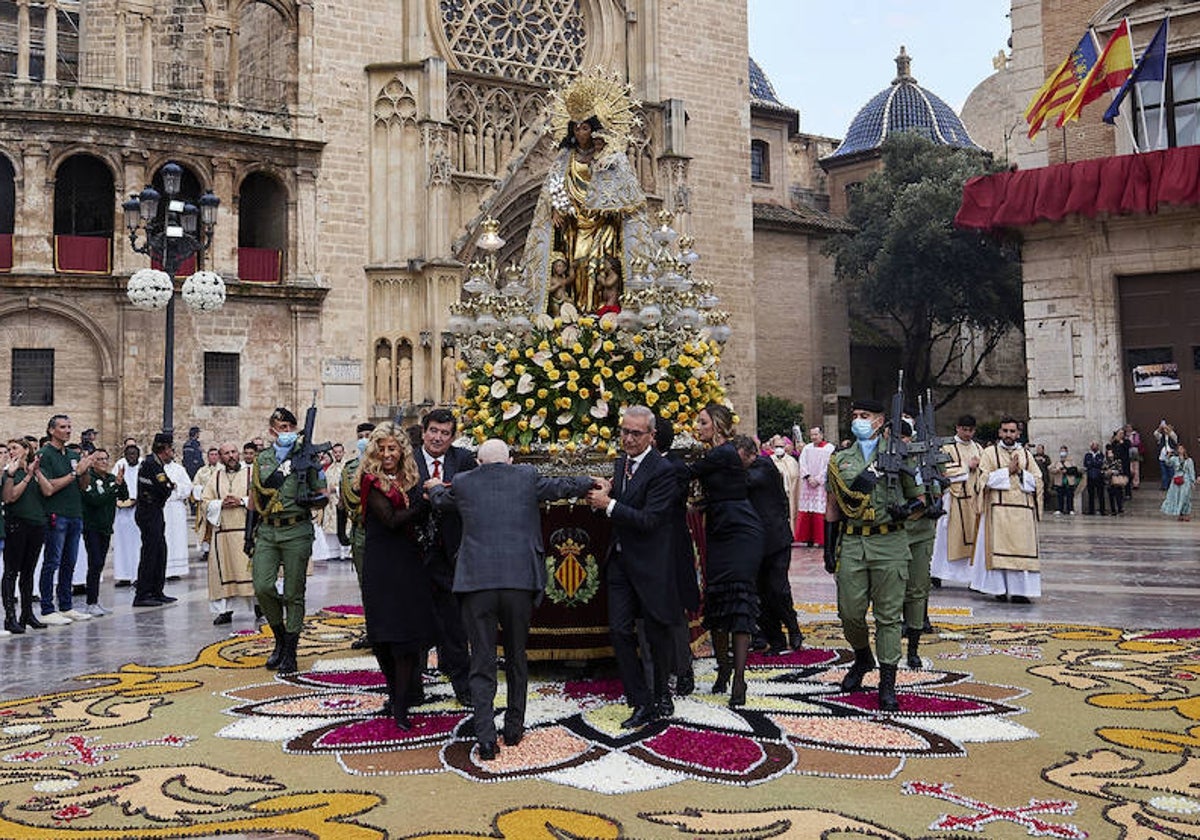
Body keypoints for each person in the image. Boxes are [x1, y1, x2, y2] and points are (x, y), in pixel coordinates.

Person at [427, 439, 593, 760]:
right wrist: (592, 482)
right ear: (511, 460)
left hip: (477, 584)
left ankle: (486, 737)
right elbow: (561, 487)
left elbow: (440, 500)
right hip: (519, 581)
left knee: (483, 659)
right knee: (517, 655)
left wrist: (434, 487)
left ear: (477, 462)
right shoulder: (527, 476)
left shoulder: (463, 482)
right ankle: (514, 727)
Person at [824, 398, 924, 712]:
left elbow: (921, 500)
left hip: (890, 543)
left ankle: (887, 681)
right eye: (855, 416)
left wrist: (905, 510)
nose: (858, 421)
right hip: (853, 542)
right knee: (850, 612)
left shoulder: (899, 455)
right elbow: (833, 506)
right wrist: (829, 548)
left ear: (880, 421)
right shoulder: (841, 458)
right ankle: (863, 656)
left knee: (889, 616)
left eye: (864, 416)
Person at [586, 406, 682, 728]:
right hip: (620, 562)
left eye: (635, 433)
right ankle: (640, 701)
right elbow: (625, 503)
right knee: (618, 631)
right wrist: (610, 492)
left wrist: (609, 504)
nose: (627, 438)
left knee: (656, 634)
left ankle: (661, 694)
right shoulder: (620, 462)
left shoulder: (663, 469)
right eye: (624, 431)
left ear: (651, 436)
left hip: (652, 563)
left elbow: (651, 519)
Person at [358, 422, 435, 730]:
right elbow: (390, 520)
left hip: (409, 563)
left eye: (393, 448)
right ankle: (394, 696)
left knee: (406, 636)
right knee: (383, 637)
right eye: (382, 448)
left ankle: (401, 704)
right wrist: (423, 505)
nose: (387, 454)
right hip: (381, 564)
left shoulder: (412, 478)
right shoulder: (370, 480)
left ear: (402, 449)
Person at [690, 404, 763, 708]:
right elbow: (719, 491)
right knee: (718, 601)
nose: (698, 426)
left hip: (742, 532)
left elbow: (688, 472)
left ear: (717, 425)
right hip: (720, 530)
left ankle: (740, 681)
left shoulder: (723, 452)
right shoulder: (720, 455)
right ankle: (724, 670)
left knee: (740, 601)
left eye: (703, 421)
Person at [249, 406, 327, 676]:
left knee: (294, 592)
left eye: (291, 428)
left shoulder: (307, 457)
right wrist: (250, 536)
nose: (288, 433)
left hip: (296, 530)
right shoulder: (263, 460)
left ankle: (290, 651)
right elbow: (254, 500)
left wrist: (312, 498)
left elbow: (323, 493)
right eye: (282, 429)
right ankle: (279, 637)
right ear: (272, 431)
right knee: (262, 585)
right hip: (268, 531)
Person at [413, 408, 477, 706]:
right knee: (413, 624)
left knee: (454, 626)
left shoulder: (463, 460)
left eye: (445, 433)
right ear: (423, 431)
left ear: (453, 437)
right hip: (414, 555)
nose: (438, 438)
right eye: (433, 431)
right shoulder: (408, 460)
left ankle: (463, 688)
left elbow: (471, 498)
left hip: (452, 555)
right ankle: (412, 688)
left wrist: (442, 495)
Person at [734, 435, 802, 656]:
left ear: (750, 454)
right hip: (754, 541)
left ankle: (792, 626)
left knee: (777, 589)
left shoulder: (764, 466)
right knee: (760, 591)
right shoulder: (747, 468)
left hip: (775, 538)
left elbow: (749, 481)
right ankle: (775, 638)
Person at [651, 413, 699, 697]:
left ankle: (683, 669)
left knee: (673, 609)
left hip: (670, 546)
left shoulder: (674, 467)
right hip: (652, 546)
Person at [970, 417, 1043, 604]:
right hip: (997, 510)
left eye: (1012, 431)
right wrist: (1006, 472)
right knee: (998, 550)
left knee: (1021, 551)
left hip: (1023, 512)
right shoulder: (989, 453)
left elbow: (1038, 480)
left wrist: (1020, 473)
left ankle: (1020, 591)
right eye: (1005, 431)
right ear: (999, 432)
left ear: (1018, 433)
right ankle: (999, 589)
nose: (1008, 435)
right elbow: (982, 480)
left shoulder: (1026, 454)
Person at [34, 414, 96, 625]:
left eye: (69, 427)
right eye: (63, 427)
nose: (68, 430)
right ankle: (47, 608)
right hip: (56, 514)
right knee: (52, 561)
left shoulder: (72, 453)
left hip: (75, 513)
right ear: (52, 430)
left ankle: (66, 605)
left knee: (70, 562)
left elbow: (83, 485)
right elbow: (48, 488)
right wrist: (74, 473)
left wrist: (86, 470)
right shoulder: (45, 454)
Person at [201, 443, 256, 626]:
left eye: (233, 452)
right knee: (222, 571)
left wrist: (242, 501)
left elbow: (261, 498)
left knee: (252, 571)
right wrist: (219, 504)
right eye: (226, 453)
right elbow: (204, 502)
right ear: (221, 457)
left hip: (247, 532)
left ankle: (258, 605)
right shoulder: (215, 477)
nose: (231, 456)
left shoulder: (251, 474)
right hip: (222, 534)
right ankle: (225, 611)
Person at [930, 415, 983, 587]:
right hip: (953, 498)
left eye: (970, 430)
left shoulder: (978, 448)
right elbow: (944, 471)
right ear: (957, 428)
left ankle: (970, 576)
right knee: (945, 537)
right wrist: (968, 467)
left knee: (973, 537)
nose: (967, 433)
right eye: (964, 429)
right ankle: (937, 572)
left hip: (973, 499)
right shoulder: (947, 447)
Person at [2, 439, 45, 632]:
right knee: (11, 571)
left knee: (28, 572)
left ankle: (27, 614)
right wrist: (25, 476)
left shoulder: (35, 471)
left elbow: (48, 491)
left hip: (36, 524)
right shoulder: (9, 473)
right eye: (9, 449)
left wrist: (35, 473)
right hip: (17, 524)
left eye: (15, 448)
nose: (11, 452)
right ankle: (10, 617)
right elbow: (10, 497)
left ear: (26, 450)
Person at [339, 422, 375, 649]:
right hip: (360, 532)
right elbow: (343, 503)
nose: (364, 439)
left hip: (383, 531)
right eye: (360, 436)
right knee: (366, 585)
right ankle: (372, 630)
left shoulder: (387, 465)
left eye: (368, 435)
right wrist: (342, 531)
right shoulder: (350, 467)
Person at [133, 433, 178, 607]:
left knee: (160, 552)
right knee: (150, 553)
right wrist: (169, 486)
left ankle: (156, 591)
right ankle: (143, 594)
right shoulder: (151, 464)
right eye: (171, 449)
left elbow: (166, 487)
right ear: (165, 449)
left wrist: (169, 486)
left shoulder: (156, 464)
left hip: (155, 512)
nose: (172, 453)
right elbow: (164, 487)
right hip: (148, 513)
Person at [80, 448, 124, 616]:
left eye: (106, 459)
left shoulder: (111, 479)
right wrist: (114, 488)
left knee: (99, 564)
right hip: (92, 527)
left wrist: (120, 483)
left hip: (106, 527)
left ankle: (95, 601)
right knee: (95, 562)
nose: (104, 462)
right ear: (92, 462)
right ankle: (91, 602)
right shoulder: (88, 478)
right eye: (100, 459)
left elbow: (123, 495)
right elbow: (95, 500)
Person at [795, 427, 834, 547]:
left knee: (819, 509)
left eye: (816, 434)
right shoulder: (807, 448)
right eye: (812, 435)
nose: (814, 437)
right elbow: (802, 463)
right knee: (807, 510)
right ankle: (807, 538)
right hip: (808, 484)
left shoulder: (829, 449)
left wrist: (818, 479)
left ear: (822, 434)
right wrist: (808, 477)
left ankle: (821, 539)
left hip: (820, 485)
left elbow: (829, 466)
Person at [111, 444, 141, 587]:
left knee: (137, 544)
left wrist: (137, 499)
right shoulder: (120, 466)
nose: (131, 457)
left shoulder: (143, 467)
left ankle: (137, 575)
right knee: (121, 543)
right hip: (122, 512)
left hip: (138, 511)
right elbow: (114, 484)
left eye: (134, 454)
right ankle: (123, 575)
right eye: (128, 454)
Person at [163, 455, 193, 579]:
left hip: (176, 507)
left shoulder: (179, 469)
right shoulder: (157, 468)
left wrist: (176, 486)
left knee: (176, 538)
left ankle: (175, 570)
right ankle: (162, 569)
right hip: (162, 506)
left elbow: (188, 487)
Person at [192, 447, 220, 562]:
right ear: (207, 457)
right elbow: (195, 484)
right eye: (211, 454)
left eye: (215, 454)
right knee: (206, 527)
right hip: (206, 504)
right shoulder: (201, 471)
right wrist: (200, 490)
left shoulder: (222, 469)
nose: (213, 456)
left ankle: (218, 548)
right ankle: (206, 550)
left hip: (218, 503)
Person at [765, 435, 800, 530]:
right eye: (777, 446)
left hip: (789, 494)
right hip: (773, 494)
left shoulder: (792, 461)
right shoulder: (768, 461)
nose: (779, 449)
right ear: (772, 447)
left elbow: (796, 477)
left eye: (781, 446)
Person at [1161, 444, 1195, 521]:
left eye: (1182, 448)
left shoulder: (1189, 460)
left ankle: (1186, 514)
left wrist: (1192, 482)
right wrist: (1168, 456)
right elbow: (1168, 463)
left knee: (1185, 497)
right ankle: (1180, 514)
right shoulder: (1174, 459)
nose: (1180, 450)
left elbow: (1191, 471)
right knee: (1177, 497)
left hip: (1186, 480)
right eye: (1179, 449)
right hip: (1176, 479)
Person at [1048, 445, 1080, 515]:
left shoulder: (1071, 461)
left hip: (1069, 481)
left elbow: (1075, 469)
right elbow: (1050, 468)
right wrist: (1057, 470)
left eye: (1064, 451)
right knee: (1060, 495)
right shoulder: (1057, 462)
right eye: (1061, 451)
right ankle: (1060, 509)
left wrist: (1067, 470)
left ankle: (1070, 509)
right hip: (1059, 481)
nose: (1063, 453)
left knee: (1070, 495)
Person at [1082, 441, 1107, 516]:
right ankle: (1091, 510)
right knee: (1091, 494)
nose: (1094, 447)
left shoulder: (1101, 455)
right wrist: (1095, 464)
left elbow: (1100, 464)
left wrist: (1093, 463)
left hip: (1099, 476)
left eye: (1096, 445)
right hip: (1090, 476)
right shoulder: (1087, 455)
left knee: (1101, 494)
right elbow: (1086, 464)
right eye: (1093, 445)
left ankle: (1102, 510)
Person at [1103, 444, 1127, 515]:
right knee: (1111, 496)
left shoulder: (1117, 461)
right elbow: (1102, 470)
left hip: (1117, 481)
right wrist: (1106, 472)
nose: (1110, 455)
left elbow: (1120, 470)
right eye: (1109, 453)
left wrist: (1112, 471)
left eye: (1111, 453)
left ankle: (1120, 508)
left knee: (1118, 495)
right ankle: (1113, 509)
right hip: (1109, 482)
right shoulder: (1105, 462)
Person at [1155, 420, 1178, 491]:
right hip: (1162, 457)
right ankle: (1165, 486)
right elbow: (1156, 433)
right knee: (1164, 473)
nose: (1166, 429)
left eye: (1169, 428)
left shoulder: (1174, 437)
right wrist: (1160, 427)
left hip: (1171, 456)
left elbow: (1172, 434)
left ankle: (1173, 486)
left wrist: (1166, 427)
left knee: (1171, 472)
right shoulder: (1161, 437)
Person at [1032, 444, 1053, 513]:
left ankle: (1044, 507)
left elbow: (1049, 464)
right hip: (1034, 478)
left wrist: (1043, 460)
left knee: (1044, 493)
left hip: (1044, 478)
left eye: (1040, 449)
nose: (1038, 450)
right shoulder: (1033, 456)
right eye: (1038, 449)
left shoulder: (1046, 457)